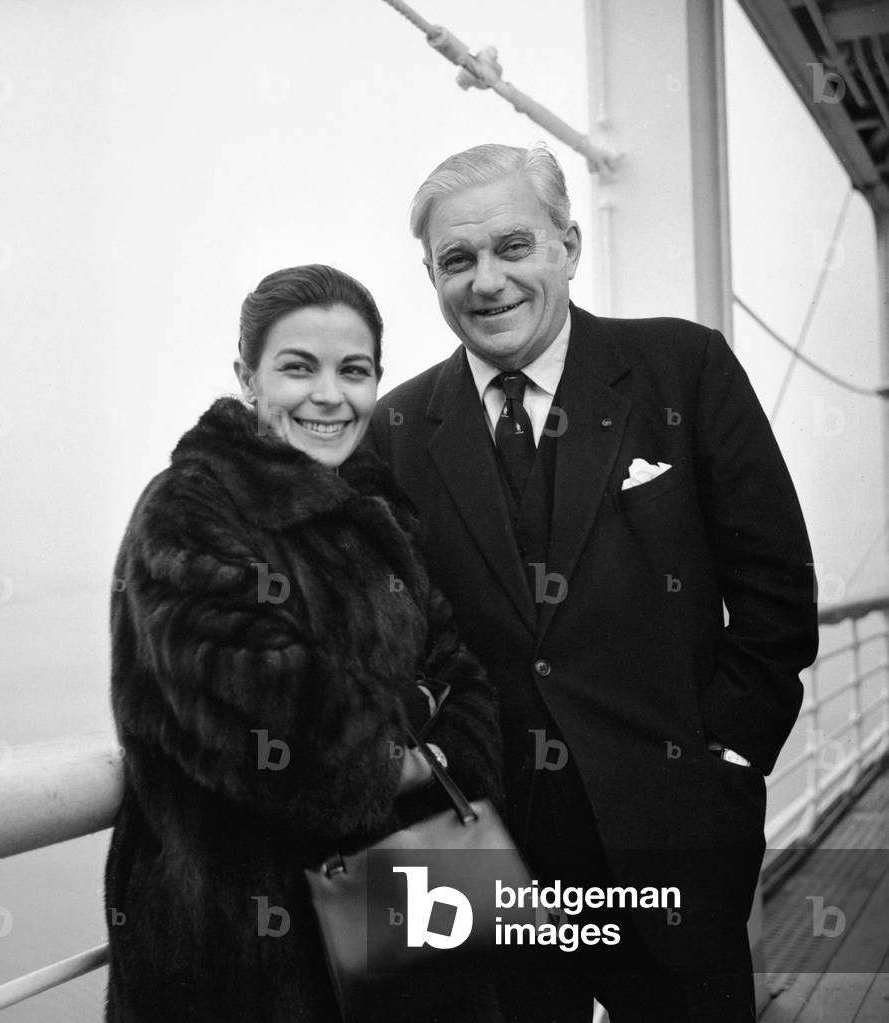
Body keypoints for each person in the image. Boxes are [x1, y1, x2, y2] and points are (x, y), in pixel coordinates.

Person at [368, 144, 819, 1022]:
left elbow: (774, 588)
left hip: (669, 834)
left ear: (568, 247)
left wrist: (724, 756)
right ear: (429, 274)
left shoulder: (682, 367)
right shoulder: (395, 425)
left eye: (512, 246)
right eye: (456, 260)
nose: (486, 280)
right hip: (477, 864)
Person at [104, 264, 504, 1023]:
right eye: (297, 367)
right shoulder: (188, 508)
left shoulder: (376, 505)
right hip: (243, 951)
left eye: (353, 371)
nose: (329, 394)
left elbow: (465, 676)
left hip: (407, 910)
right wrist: (411, 726)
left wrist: (417, 735)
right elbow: (276, 725)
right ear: (246, 377)